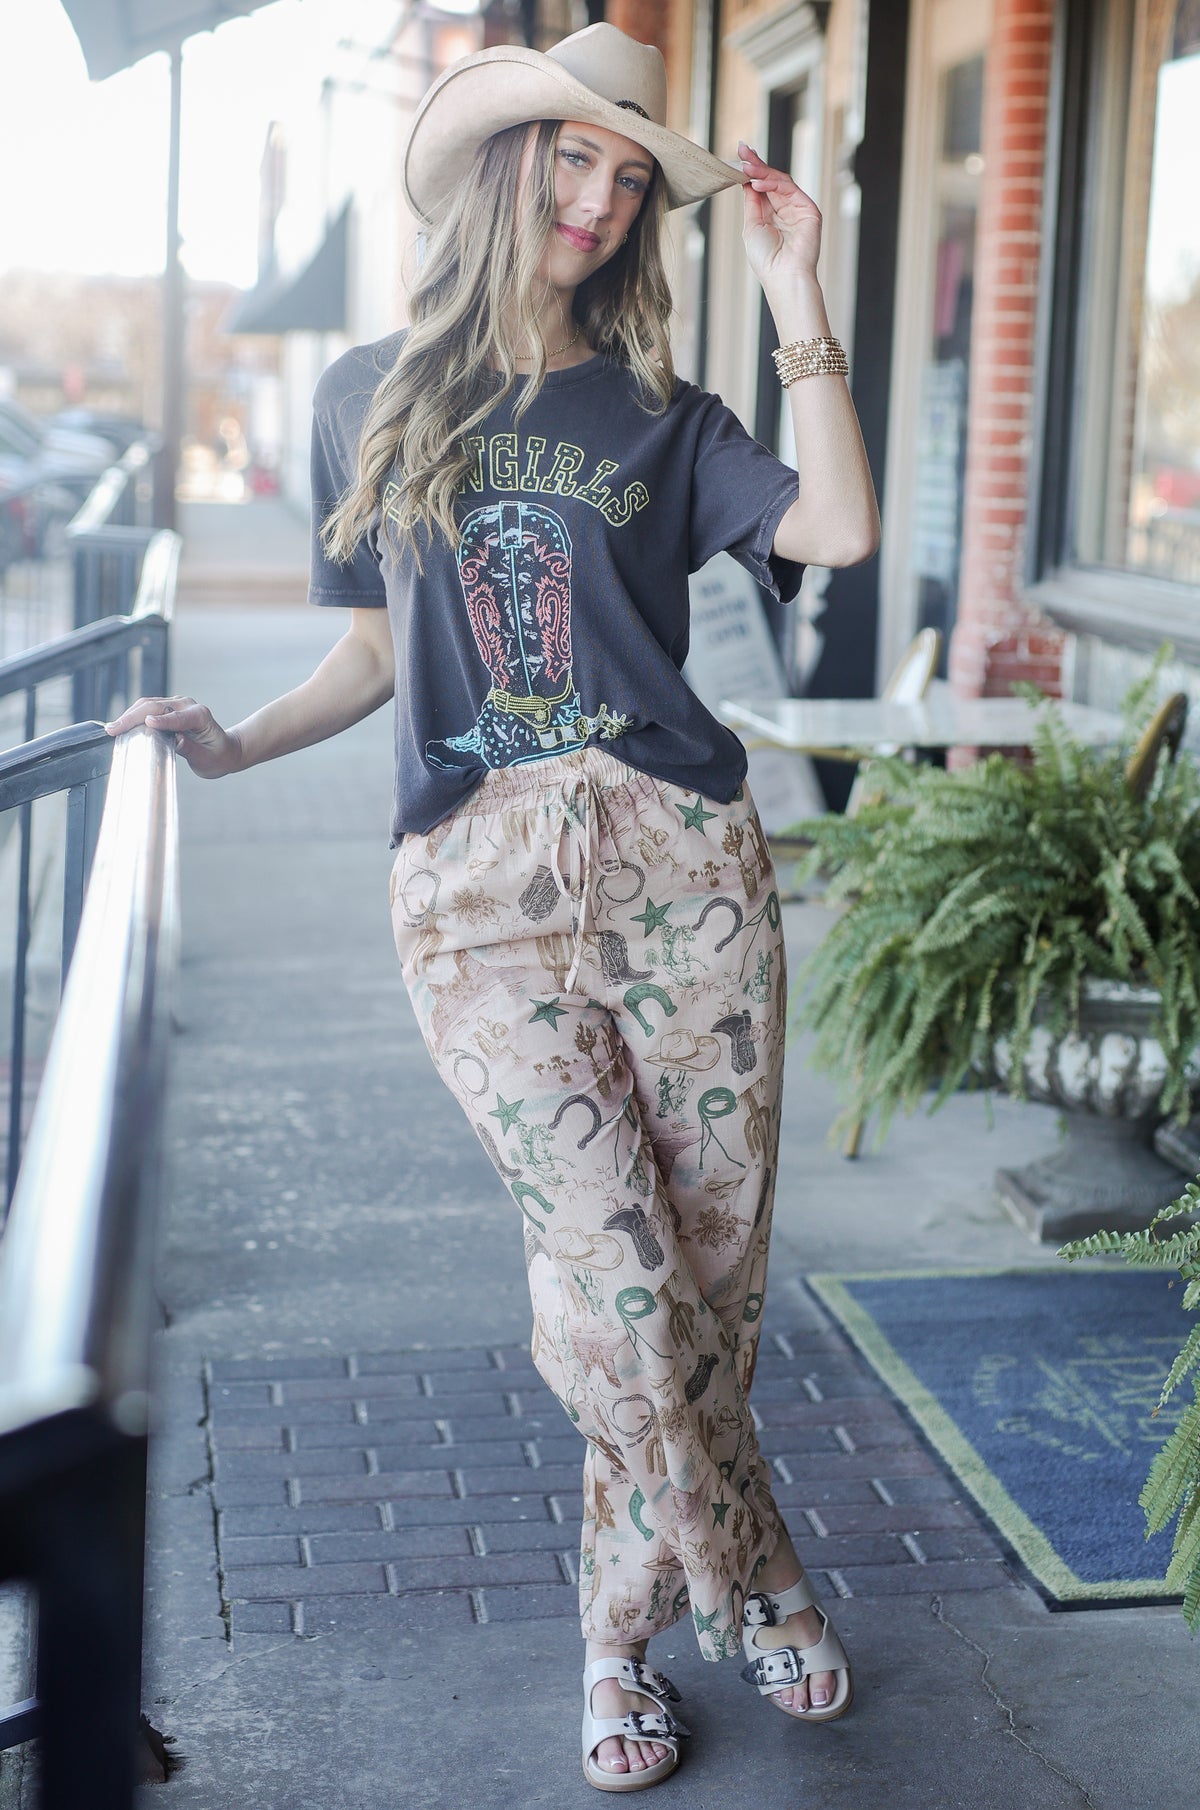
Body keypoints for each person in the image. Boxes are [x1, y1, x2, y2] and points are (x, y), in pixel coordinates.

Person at [108, 22, 879, 1794]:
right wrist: (233, 743)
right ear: (503, 169)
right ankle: (752, 1562)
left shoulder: (670, 417)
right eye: (576, 162)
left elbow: (835, 522)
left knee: (703, 1284)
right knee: (614, 1277)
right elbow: (374, 651)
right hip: (478, 896)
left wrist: (796, 284)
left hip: (685, 872)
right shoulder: (363, 392)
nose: (605, 199)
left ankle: (617, 1641)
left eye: (630, 175)